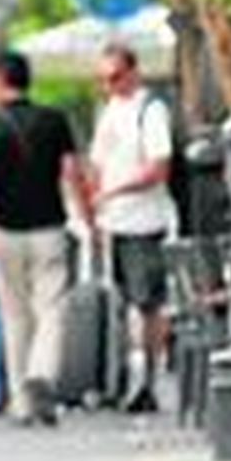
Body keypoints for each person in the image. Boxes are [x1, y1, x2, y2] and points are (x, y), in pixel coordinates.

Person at [0, 50, 95, 426]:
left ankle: (22, 402)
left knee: (14, 316)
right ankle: (42, 373)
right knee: (52, 309)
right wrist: (89, 220)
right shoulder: (54, 120)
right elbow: (73, 174)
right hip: (50, 228)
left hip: (4, 230)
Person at [89, 44, 177, 414]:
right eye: (103, 79)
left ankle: (148, 381)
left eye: (115, 77)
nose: (109, 86)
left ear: (133, 73)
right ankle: (118, 379)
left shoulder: (150, 110)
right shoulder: (109, 109)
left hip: (144, 220)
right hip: (114, 220)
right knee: (121, 303)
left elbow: (159, 168)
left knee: (147, 304)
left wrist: (116, 189)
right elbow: (97, 160)